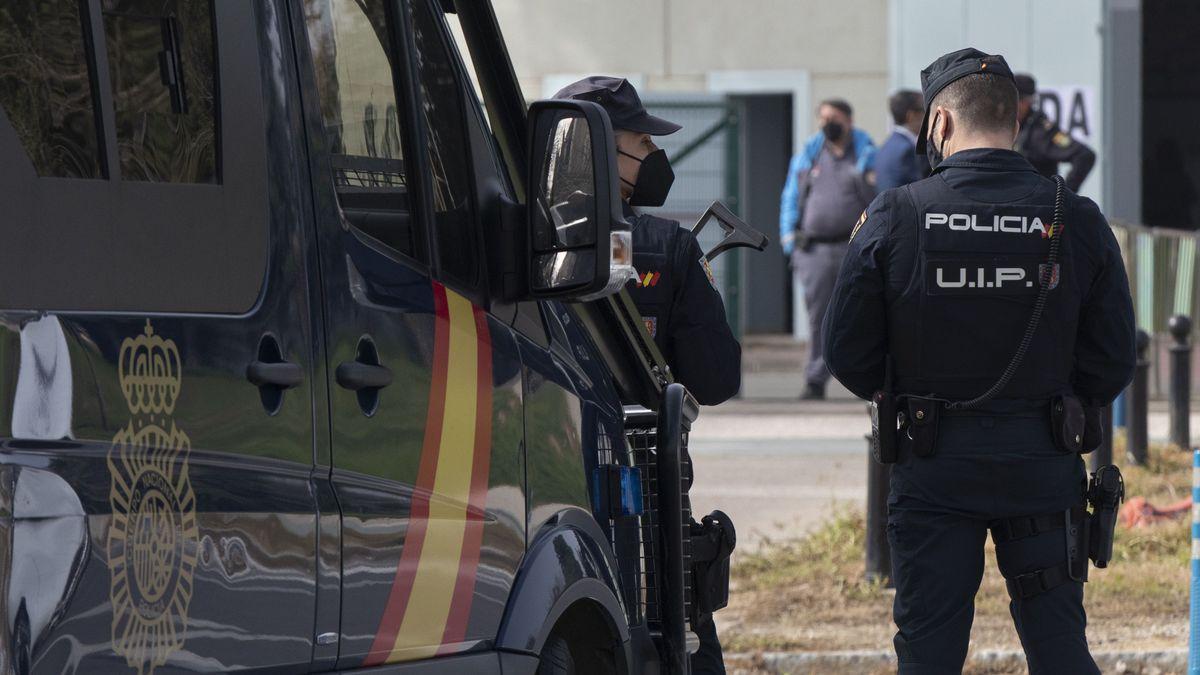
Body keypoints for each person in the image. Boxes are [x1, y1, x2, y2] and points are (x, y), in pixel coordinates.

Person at [822, 48, 1135, 674]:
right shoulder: (1073, 215)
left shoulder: (896, 213)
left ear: (938, 124)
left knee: (929, 652)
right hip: (1043, 461)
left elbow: (848, 352)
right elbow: (1112, 360)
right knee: (1060, 649)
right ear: (1015, 122)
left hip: (931, 465)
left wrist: (905, 390)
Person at [557, 75, 740, 674]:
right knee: (677, 640)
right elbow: (716, 380)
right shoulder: (667, 247)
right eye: (643, 142)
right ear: (608, 150)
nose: (655, 158)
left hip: (539, 490)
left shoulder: (516, 239)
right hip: (645, 496)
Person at [779, 99, 876, 400]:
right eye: (822, 118)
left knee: (865, 315)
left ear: (849, 120)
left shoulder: (866, 154)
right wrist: (788, 238)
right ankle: (815, 379)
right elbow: (790, 197)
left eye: (833, 118)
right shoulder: (809, 156)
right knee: (818, 317)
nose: (827, 124)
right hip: (815, 251)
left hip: (855, 249)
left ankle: (868, 381)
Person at [1014, 73, 1096, 192]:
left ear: (1024, 103)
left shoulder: (1041, 132)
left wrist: (1064, 196)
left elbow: (1084, 155)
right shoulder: (1017, 127)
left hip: (1038, 205)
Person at [875, 90, 930, 192]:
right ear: (912, 116)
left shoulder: (886, 145)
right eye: (925, 110)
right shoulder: (907, 149)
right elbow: (920, 192)